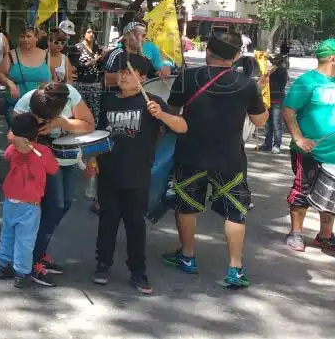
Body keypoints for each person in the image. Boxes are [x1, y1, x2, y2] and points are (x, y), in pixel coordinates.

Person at [163, 32, 267, 288]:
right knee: (235, 212)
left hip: (190, 154)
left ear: (208, 51)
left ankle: (187, 256)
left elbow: (173, 112)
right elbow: (260, 121)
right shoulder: (246, 83)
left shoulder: (188, 77)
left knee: (186, 206)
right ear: (235, 57)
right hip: (229, 158)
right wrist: (261, 93)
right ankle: (235, 268)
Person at [94, 53, 187, 294]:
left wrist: (161, 115)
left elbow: (182, 127)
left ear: (142, 77)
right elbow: (97, 134)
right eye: (122, 72)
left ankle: (138, 271)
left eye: (129, 72)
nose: (123, 76)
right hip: (108, 172)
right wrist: (92, 159)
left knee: (135, 224)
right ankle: (102, 265)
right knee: (107, 221)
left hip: (137, 174)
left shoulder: (152, 103)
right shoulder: (107, 100)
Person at [11, 82, 95, 286]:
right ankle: (32, 259)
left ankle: (38, 251)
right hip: (43, 160)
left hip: (69, 157)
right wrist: (25, 139)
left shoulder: (70, 94)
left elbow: (89, 125)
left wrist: (61, 123)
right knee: (53, 206)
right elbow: (12, 134)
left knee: (64, 204)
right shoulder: (27, 102)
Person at [281, 39, 335, 252]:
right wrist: (298, 138)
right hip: (309, 151)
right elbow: (288, 111)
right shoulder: (307, 82)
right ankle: (295, 234)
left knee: (331, 195)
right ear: (332, 58)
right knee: (302, 190)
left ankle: (325, 236)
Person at [0, 113, 59, 288]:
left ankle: (2, 266)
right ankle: (21, 273)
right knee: (26, 240)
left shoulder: (12, 149)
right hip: (30, 205)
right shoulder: (43, 152)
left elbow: (8, 155)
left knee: (7, 234)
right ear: (37, 133)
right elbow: (54, 169)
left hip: (10, 201)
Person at [0, 27, 50, 120]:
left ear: (37, 38)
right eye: (22, 36)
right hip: (16, 106)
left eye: (28, 36)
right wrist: (10, 83)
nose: (25, 39)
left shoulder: (47, 55)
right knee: (18, 132)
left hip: (42, 107)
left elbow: (56, 78)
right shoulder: (12, 55)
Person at [258, 54, 289, 153]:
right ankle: (267, 144)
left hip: (278, 100)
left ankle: (277, 144)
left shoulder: (282, 71)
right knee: (268, 123)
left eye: (275, 61)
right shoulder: (273, 70)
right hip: (268, 99)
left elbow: (274, 72)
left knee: (277, 124)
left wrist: (271, 62)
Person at [72, 26, 104, 118]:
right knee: (82, 111)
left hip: (95, 85)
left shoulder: (96, 47)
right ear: (83, 33)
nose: (91, 34)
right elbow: (77, 66)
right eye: (89, 32)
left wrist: (101, 59)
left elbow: (100, 65)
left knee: (95, 111)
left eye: (93, 32)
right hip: (81, 84)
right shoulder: (77, 48)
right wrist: (91, 62)